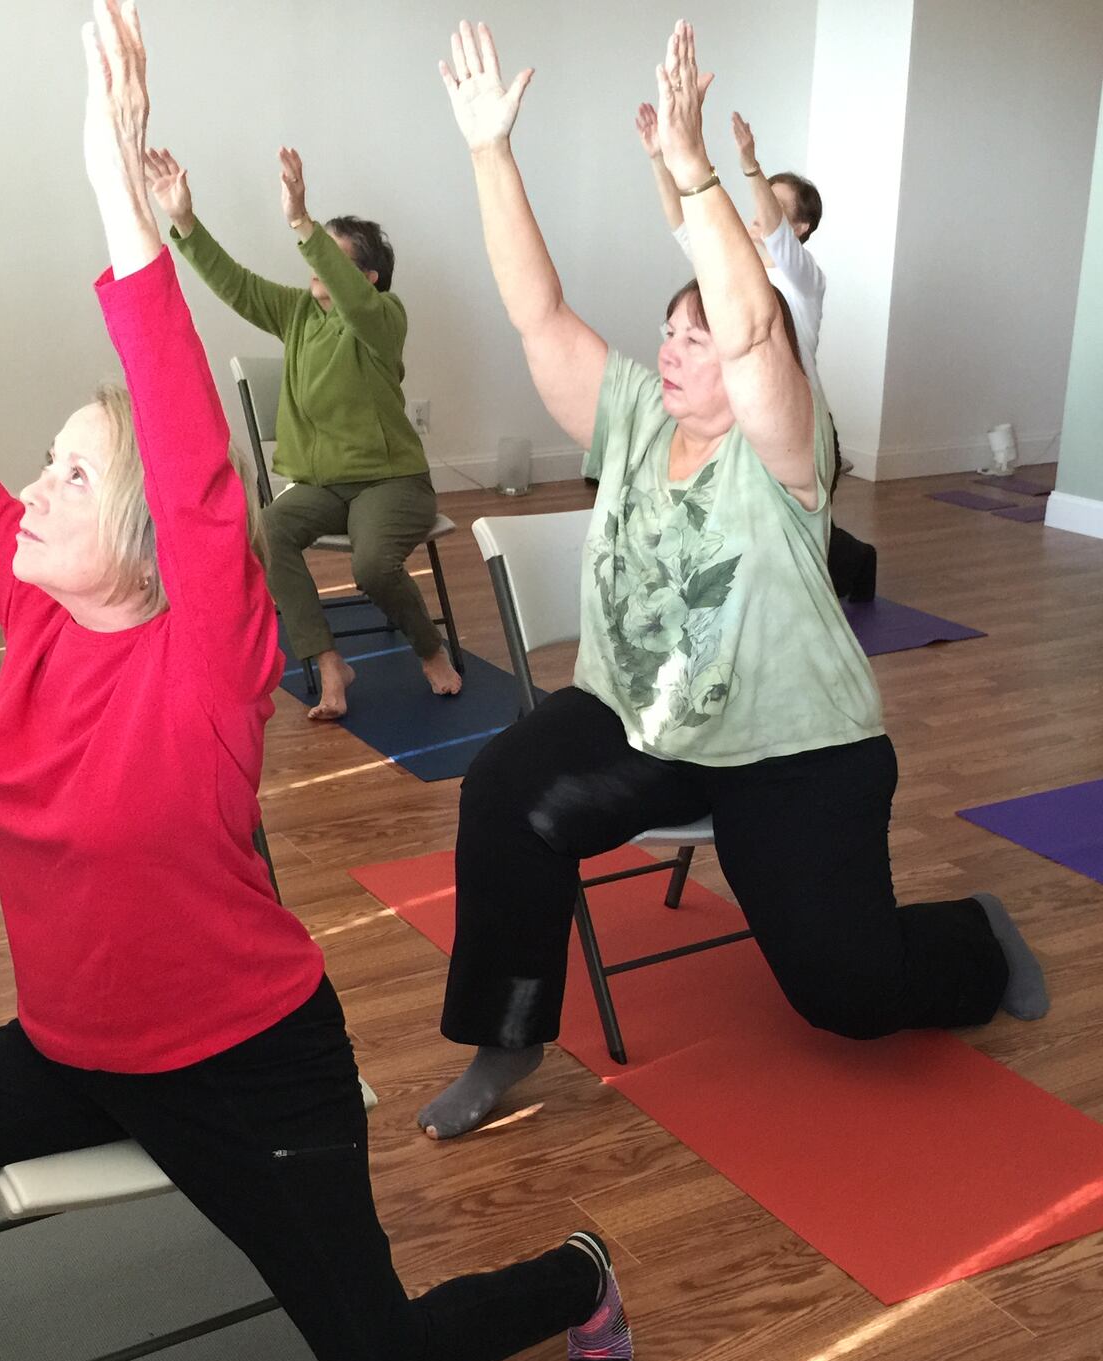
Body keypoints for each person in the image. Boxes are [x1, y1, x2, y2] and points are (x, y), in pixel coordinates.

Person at [0, 10, 630, 1361]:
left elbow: (183, 427)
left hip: (250, 1063)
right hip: (74, 1047)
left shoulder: (209, 648)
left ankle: (575, 1271)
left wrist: (117, 180)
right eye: (43, 468)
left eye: (76, 477)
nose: (30, 490)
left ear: (158, 536)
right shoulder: (33, 617)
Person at [416, 19, 1046, 1142]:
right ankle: (507, 1035)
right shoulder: (630, 414)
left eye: (697, 337)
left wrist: (698, 172)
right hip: (643, 727)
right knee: (503, 792)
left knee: (844, 997)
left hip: (793, 748)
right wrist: (487, 153)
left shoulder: (787, 449)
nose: (674, 347)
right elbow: (536, 311)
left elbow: (756, 333)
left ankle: (973, 939)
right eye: (669, 330)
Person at [142, 143, 462, 720]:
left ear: (366, 278)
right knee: (268, 531)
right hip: (322, 486)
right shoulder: (296, 314)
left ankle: (430, 649)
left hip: (391, 484)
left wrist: (301, 221)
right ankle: (328, 659)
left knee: (370, 567)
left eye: (331, 260)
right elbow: (235, 284)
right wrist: (183, 220)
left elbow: (357, 304)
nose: (314, 266)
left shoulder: (384, 318)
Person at [637, 98, 877, 602]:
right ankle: (840, 558)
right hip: (739, 415)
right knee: (756, 517)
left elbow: (772, 229)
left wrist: (749, 162)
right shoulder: (732, 268)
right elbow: (683, 221)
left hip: (798, 423)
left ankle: (850, 560)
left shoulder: (803, 278)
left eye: (771, 201)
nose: (756, 208)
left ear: (800, 228)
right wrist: (659, 158)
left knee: (786, 524)